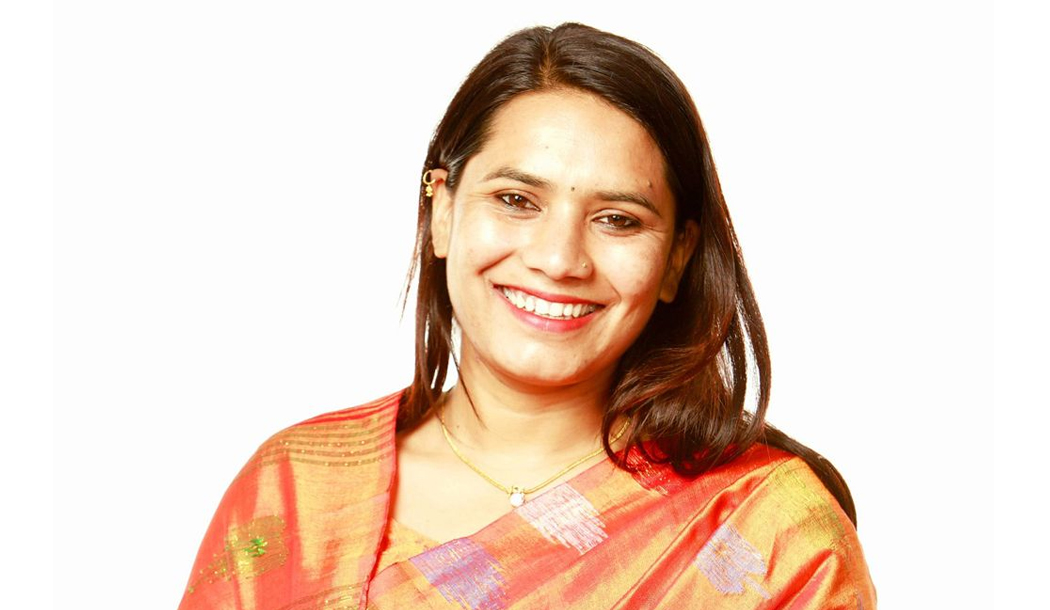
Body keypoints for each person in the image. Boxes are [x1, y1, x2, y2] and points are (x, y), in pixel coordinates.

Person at [177, 22, 876, 609]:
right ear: (443, 212)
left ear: (675, 259)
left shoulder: (767, 533)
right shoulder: (294, 492)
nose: (559, 258)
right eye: (516, 200)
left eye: (618, 219)